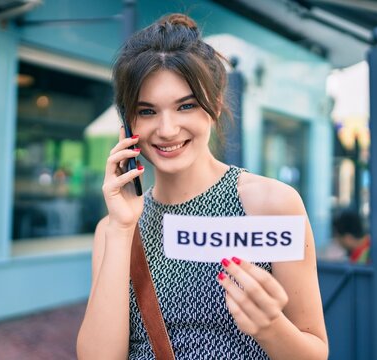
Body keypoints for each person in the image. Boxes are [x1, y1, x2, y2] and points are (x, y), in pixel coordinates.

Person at [77, 13, 328, 359]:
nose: (166, 129)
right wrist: (121, 227)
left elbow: (315, 351)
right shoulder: (114, 228)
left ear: (215, 104)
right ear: (127, 122)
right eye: (147, 111)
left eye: (186, 106)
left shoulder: (271, 204)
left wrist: (270, 326)